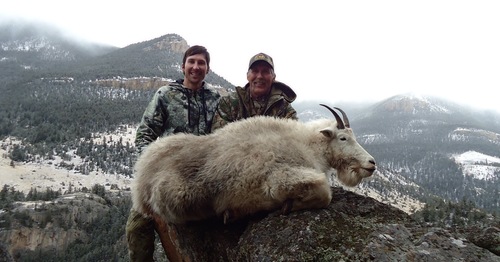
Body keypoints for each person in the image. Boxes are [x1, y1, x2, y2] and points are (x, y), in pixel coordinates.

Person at [126, 45, 220, 262]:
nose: (196, 67)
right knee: (137, 227)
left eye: (201, 63)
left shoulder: (216, 99)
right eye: (192, 62)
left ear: (207, 69)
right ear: (183, 66)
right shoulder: (166, 95)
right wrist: (151, 170)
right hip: (168, 174)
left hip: (203, 175)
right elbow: (145, 135)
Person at [212, 52, 297, 130]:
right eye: (255, 71)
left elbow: (292, 140)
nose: (260, 76)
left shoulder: (285, 109)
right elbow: (218, 137)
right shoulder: (228, 103)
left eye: (265, 71)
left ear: (273, 77)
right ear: (247, 76)